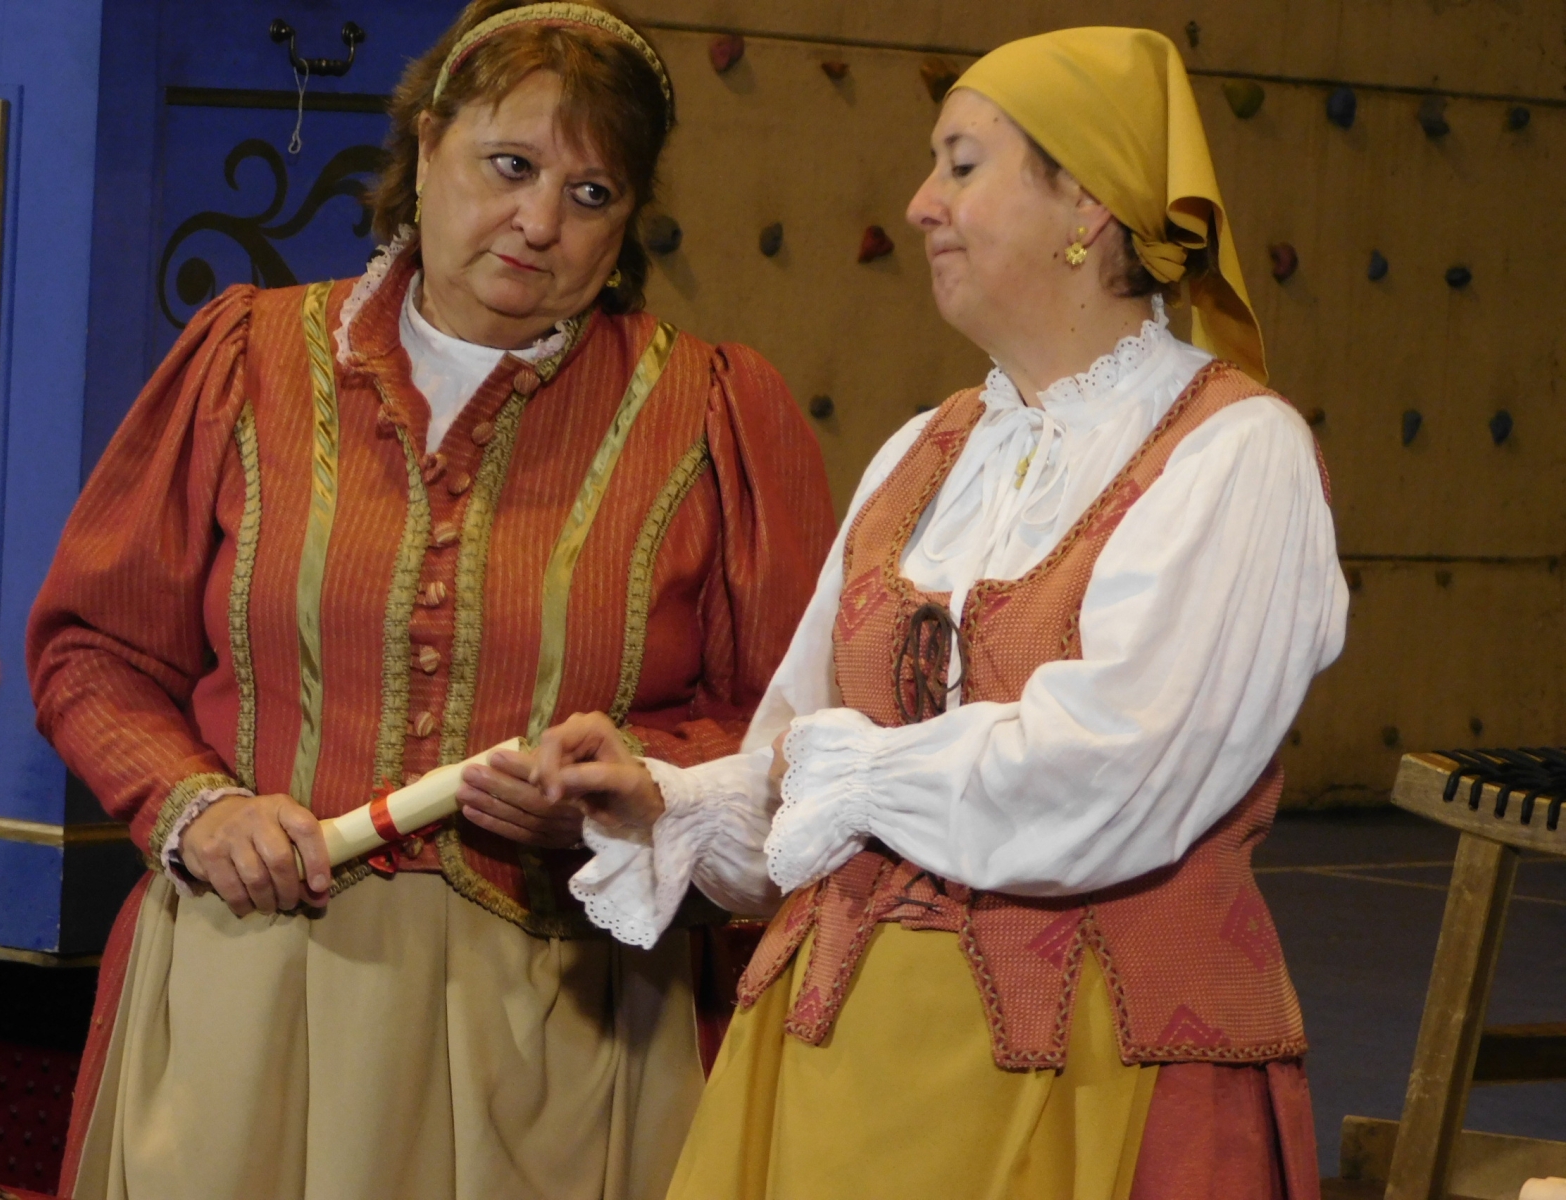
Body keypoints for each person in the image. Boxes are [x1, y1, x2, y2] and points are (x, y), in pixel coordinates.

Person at [26, 3, 834, 1197]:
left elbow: (796, 736)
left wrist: (634, 793)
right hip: (248, 995)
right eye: (509, 166)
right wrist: (197, 809)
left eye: (590, 193)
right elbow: (93, 649)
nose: (540, 222)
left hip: (559, 1028)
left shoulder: (713, 412)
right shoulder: (246, 358)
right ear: (424, 149)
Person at [530, 26, 1347, 1200]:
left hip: (1092, 1067)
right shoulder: (925, 450)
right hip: (846, 1063)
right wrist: (675, 801)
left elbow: (1116, 772)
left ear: (1088, 202)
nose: (920, 204)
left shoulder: (1233, 454)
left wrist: (846, 775)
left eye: (962, 164)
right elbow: (801, 760)